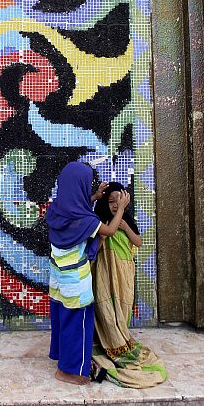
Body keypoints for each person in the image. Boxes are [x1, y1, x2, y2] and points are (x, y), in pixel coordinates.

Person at [47, 162, 130, 385]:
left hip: (58, 278)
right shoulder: (87, 221)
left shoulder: (55, 209)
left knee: (62, 318)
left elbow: (75, 204)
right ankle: (70, 372)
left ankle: (61, 356)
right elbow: (109, 230)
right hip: (77, 281)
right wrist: (121, 208)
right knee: (78, 324)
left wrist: (94, 197)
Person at [91, 182, 167, 388]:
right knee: (105, 309)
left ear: (126, 201)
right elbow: (95, 247)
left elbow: (138, 242)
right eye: (111, 201)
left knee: (122, 309)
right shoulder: (101, 222)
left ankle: (119, 337)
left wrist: (125, 226)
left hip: (123, 274)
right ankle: (108, 341)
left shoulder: (127, 221)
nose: (116, 205)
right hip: (104, 275)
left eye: (120, 200)